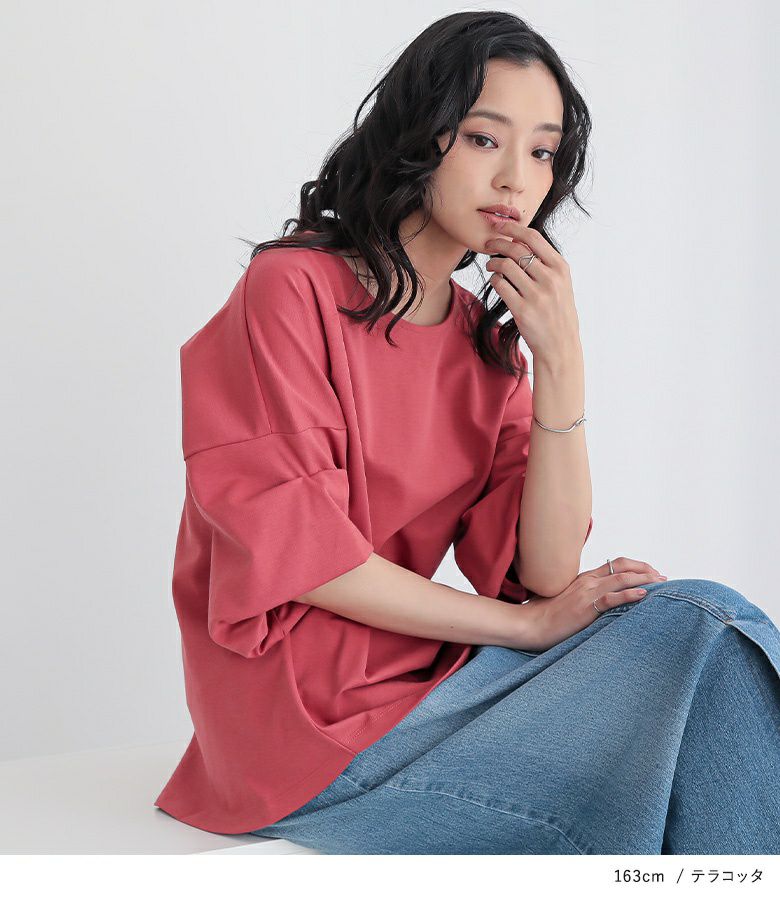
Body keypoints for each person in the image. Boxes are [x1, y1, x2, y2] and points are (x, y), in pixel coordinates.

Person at [153, 11, 780, 854]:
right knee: (703, 631)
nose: (516, 179)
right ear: (421, 136)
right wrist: (525, 629)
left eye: (543, 152)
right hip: (300, 732)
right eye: (486, 139)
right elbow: (308, 560)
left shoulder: (486, 348)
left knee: (704, 638)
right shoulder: (291, 290)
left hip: (432, 688)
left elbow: (543, 571)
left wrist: (561, 360)